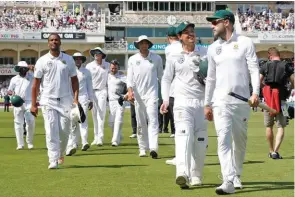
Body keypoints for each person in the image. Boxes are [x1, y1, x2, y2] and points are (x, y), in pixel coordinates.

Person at [204, 10, 260, 194]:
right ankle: (227, 180)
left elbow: (253, 69)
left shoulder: (245, 42)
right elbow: (210, 78)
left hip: (242, 102)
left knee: (240, 142)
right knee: (223, 140)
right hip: (221, 102)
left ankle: (236, 174)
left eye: (215, 22)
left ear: (226, 22)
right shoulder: (213, 48)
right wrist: (207, 103)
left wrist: (255, 93)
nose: (212, 26)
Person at [161, 22, 208, 189]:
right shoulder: (174, 55)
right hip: (182, 102)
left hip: (201, 103)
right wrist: (166, 100)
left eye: (192, 32)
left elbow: (213, 76)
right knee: (183, 135)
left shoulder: (205, 53)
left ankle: (196, 175)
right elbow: (166, 79)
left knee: (201, 141)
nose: (191, 34)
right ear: (180, 37)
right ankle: (182, 172)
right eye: (187, 33)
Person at [31, 33, 79, 169]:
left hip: (65, 100)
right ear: (48, 43)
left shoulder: (68, 60)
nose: (54, 42)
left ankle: (60, 154)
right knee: (51, 130)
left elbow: (74, 81)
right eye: (51, 40)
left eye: (56, 40)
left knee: (64, 132)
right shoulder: (42, 61)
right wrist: (34, 104)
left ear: (60, 42)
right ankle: (52, 160)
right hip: (48, 100)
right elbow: (35, 84)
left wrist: (75, 99)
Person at [127, 35, 163, 158]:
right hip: (138, 95)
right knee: (141, 122)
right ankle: (142, 147)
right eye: (141, 43)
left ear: (148, 44)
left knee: (153, 119)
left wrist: (164, 96)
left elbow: (161, 77)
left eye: (146, 43)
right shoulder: (132, 59)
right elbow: (130, 78)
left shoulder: (157, 58)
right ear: (138, 45)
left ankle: (154, 148)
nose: (144, 45)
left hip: (152, 94)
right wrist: (130, 91)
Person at [260, 47, 294, 159]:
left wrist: (264, 90)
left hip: (268, 100)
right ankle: (275, 151)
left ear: (270, 55)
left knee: (269, 126)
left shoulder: (265, 65)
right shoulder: (286, 65)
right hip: (282, 99)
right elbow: (293, 80)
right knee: (281, 126)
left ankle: (270, 151)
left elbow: (259, 80)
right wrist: (290, 89)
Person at [66, 52, 94, 156]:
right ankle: (74, 143)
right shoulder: (69, 70)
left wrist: (91, 99)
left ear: (82, 60)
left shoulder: (86, 72)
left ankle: (85, 142)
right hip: (71, 98)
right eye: (76, 59)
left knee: (83, 120)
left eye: (79, 59)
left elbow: (89, 86)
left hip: (83, 97)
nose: (78, 60)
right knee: (73, 122)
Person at [8, 61, 35, 150]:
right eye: (21, 68)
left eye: (25, 68)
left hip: (29, 102)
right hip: (17, 103)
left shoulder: (32, 77)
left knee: (30, 122)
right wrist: (12, 97)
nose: (23, 70)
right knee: (18, 123)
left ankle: (29, 142)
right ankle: (20, 144)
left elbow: (40, 77)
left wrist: (33, 70)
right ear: (18, 69)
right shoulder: (14, 79)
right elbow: (10, 90)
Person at [86, 47, 110, 146]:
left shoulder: (107, 65)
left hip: (102, 91)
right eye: (95, 53)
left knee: (101, 114)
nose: (96, 54)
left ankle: (100, 137)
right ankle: (96, 137)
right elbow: (86, 80)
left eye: (98, 53)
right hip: (92, 92)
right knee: (94, 115)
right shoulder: (89, 66)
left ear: (102, 55)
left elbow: (113, 75)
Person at [107, 59, 127, 146]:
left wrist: (125, 95)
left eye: (115, 68)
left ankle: (115, 140)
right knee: (111, 122)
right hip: (111, 102)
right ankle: (119, 135)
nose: (113, 70)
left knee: (118, 120)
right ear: (110, 67)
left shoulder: (122, 76)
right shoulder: (107, 76)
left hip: (120, 101)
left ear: (118, 68)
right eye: (112, 68)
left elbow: (130, 86)